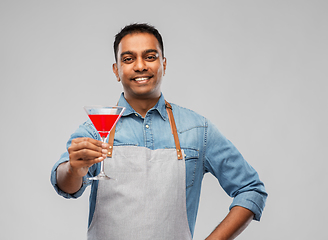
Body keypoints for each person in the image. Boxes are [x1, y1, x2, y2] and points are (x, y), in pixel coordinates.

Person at [51, 23, 267, 240]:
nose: (140, 66)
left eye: (150, 57)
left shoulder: (197, 130)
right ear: (116, 70)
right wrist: (74, 170)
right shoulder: (95, 130)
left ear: (163, 64)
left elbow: (251, 189)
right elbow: (65, 185)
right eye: (128, 59)